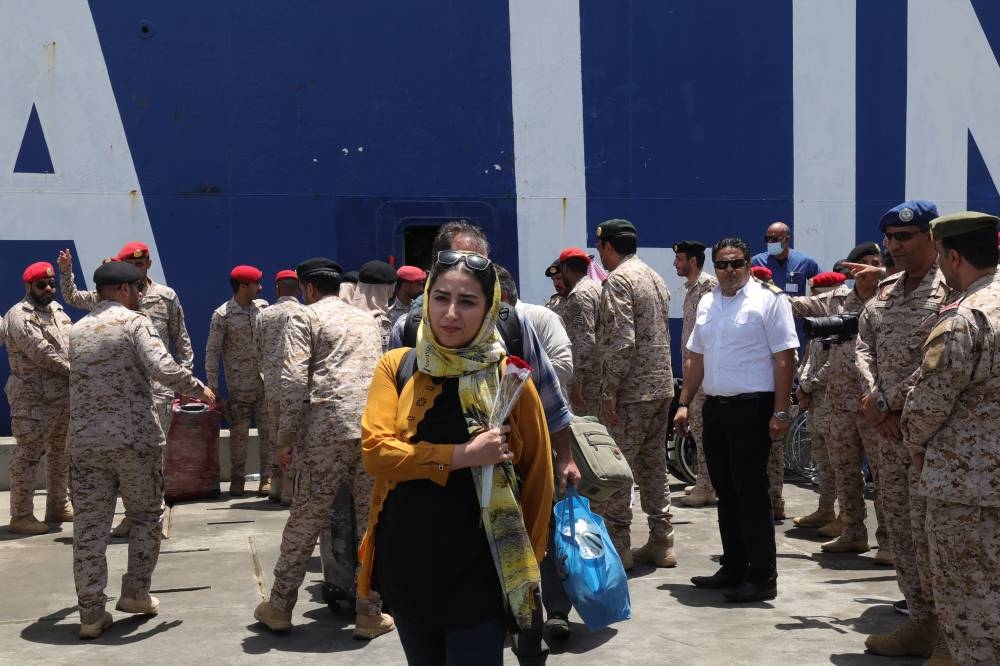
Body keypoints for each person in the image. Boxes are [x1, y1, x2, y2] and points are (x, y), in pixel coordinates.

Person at [357, 249, 553, 665]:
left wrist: (524, 574)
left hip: (481, 571)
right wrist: (463, 454)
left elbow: (538, 483)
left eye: (467, 302)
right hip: (406, 563)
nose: (450, 313)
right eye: (441, 297)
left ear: (489, 310)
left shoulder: (511, 380)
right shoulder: (397, 366)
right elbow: (376, 454)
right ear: (425, 299)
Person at [68, 261, 214, 639]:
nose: (141, 295)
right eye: (137, 288)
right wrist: (199, 389)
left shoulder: (78, 329)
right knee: (147, 515)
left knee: (89, 528)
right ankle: (135, 593)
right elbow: (162, 366)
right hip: (134, 441)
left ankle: (90, 613)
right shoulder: (134, 323)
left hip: (85, 444)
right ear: (123, 290)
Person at [252, 258, 390, 638]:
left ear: (308, 289)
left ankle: (279, 606)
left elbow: (293, 381)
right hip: (370, 431)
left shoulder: (305, 318)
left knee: (305, 520)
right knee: (370, 524)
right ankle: (369, 613)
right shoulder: (367, 319)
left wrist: (285, 440)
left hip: (324, 433)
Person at [675, 237, 798, 603]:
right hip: (716, 408)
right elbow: (696, 357)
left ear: (748, 264)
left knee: (751, 495)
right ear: (714, 266)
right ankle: (733, 566)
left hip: (752, 408)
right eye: (724, 264)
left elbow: (784, 359)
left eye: (738, 263)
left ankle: (762, 577)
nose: (730, 270)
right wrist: (684, 403)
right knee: (725, 492)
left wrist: (781, 411)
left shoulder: (769, 300)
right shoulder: (708, 301)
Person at [902, 211, 1000, 664]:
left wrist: (914, 443)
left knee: (970, 611)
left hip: (967, 493)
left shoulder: (965, 319)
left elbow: (928, 405)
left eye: (940, 254)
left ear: (954, 255)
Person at [855, 200, 950, 658]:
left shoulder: (953, 289)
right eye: (889, 238)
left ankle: (953, 636)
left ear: (932, 238)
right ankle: (920, 621)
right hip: (886, 435)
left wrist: (888, 403)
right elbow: (862, 346)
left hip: (930, 437)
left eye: (905, 237)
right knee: (899, 529)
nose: (894, 246)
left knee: (937, 535)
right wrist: (875, 401)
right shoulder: (887, 290)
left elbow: (939, 363)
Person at [59, 242, 195, 537]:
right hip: (122, 391)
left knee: (153, 456)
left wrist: (185, 380)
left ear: (148, 263)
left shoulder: (166, 296)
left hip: (158, 389)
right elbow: (71, 296)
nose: (137, 269)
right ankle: (132, 516)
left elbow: (181, 340)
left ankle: (150, 518)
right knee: (122, 456)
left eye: (141, 263)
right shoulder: (105, 296)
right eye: (130, 265)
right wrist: (67, 272)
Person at [593, 218, 676, 569]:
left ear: (609, 247)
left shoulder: (619, 281)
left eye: (600, 249)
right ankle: (662, 540)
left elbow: (621, 341)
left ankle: (618, 548)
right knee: (653, 466)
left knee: (616, 470)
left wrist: (608, 390)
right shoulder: (654, 276)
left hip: (631, 392)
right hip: (660, 387)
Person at [810, 244, 891, 562]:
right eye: (866, 264)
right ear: (853, 268)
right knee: (845, 471)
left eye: (878, 263)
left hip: (875, 404)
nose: (872, 268)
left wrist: (883, 274)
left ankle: (888, 543)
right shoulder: (839, 299)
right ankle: (854, 533)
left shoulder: (892, 296)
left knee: (884, 478)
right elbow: (802, 306)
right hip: (841, 403)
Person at [3, 262, 73, 535]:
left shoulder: (57, 311)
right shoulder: (19, 315)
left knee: (61, 454)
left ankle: (58, 505)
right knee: (28, 457)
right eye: (41, 285)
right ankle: (21, 515)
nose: (49, 289)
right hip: (32, 402)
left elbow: (72, 342)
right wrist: (76, 370)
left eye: (51, 283)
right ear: (28, 286)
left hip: (63, 398)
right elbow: (41, 352)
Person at [787, 271, 848, 540]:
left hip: (833, 399)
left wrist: (807, 386)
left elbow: (834, 360)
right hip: (816, 401)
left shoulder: (839, 311)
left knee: (842, 462)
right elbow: (814, 355)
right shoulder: (824, 317)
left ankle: (848, 518)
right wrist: (804, 384)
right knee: (823, 459)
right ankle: (826, 509)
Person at [205, 265, 271, 497]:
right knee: (238, 436)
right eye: (256, 284)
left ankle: (267, 478)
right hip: (239, 387)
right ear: (243, 287)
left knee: (268, 433)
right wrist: (213, 386)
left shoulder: (263, 309)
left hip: (264, 385)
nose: (261, 288)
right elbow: (212, 351)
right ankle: (237, 480)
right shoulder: (222, 315)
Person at [672, 240, 719, 508]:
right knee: (699, 429)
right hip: (694, 371)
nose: (675, 264)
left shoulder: (709, 287)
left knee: (702, 429)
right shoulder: (692, 289)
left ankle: (707, 486)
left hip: (705, 372)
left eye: (679, 259)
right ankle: (705, 479)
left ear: (692, 261)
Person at [255, 269, 306, 504]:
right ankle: (289, 490)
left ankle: (275, 487)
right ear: (299, 288)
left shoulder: (263, 315)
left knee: (275, 436)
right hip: (297, 386)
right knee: (293, 438)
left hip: (273, 386)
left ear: (277, 288)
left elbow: (258, 350)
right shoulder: (305, 313)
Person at [496, 264, 573, 397]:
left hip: (545, 413)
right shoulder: (483, 326)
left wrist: (514, 379)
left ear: (503, 297)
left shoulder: (542, 318)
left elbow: (564, 366)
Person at [558, 247, 604, 418]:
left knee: (588, 431)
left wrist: (578, 381)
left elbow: (584, 338)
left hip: (588, 381)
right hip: (598, 373)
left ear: (566, 269)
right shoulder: (595, 288)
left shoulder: (579, 295)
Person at [350, 260, 398, 351]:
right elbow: (384, 355)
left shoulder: (346, 315)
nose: (393, 291)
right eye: (392, 286)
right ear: (385, 288)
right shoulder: (381, 322)